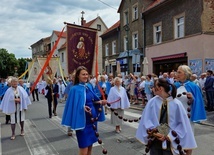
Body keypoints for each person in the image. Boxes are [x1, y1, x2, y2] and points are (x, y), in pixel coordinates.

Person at [136, 78, 197, 155]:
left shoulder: (176, 104)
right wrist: (154, 133)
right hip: (155, 142)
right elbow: (146, 119)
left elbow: (182, 124)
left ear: (160, 88)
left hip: (171, 143)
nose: (152, 88)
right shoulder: (152, 102)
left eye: (154, 86)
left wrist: (169, 136)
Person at [61, 66, 107, 155]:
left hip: (92, 122)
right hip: (82, 123)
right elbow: (72, 106)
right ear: (78, 76)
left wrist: (101, 101)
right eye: (83, 74)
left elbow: (93, 100)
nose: (85, 76)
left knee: (90, 147)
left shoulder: (88, 86)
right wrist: (82, 107)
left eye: (86, 74)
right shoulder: (74, 89)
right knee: (84, 148)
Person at [174, 65, 206, 136]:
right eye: (177, 72)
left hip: (187, 114)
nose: (177, 74)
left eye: (179, 72)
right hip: (175, 114)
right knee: (175, 135)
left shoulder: (194, 86)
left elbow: (199, 102)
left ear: (186, 74)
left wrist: (192, 98)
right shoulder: (174, 85)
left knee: (188, 135)